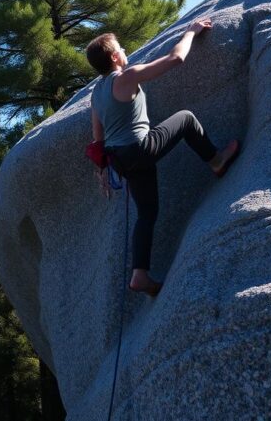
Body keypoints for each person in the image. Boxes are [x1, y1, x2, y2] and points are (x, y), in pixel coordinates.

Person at [87, 18, 240, 296]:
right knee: (186, 118)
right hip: (140, 148)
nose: (125, 51)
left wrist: (102, 172)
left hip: (120, 160)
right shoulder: (127, 76)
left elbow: (97, 138)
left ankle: (140, 275)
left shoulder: (96, 93)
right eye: (121, 48)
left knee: (146, 214)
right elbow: (176, 58)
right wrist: (191, 32)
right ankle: (216, 161)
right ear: (114, 56)